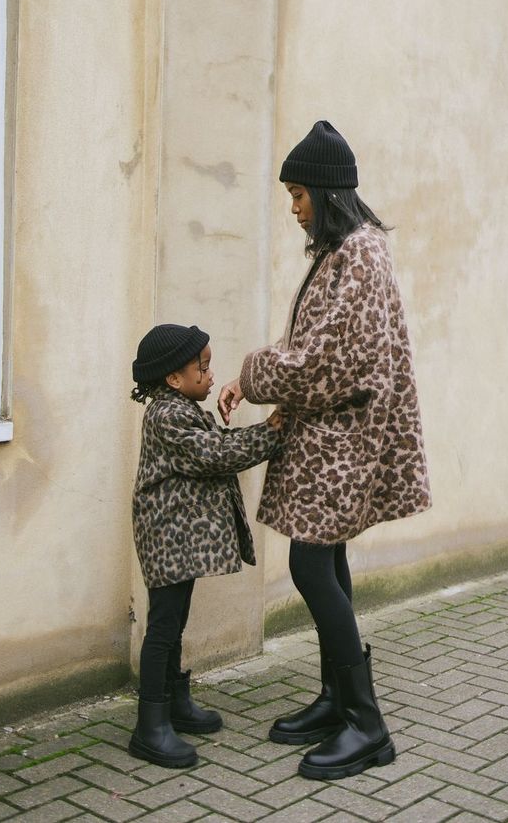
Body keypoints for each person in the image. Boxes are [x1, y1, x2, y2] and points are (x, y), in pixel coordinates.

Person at [218, 120, 431, 780]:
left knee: (311, 566)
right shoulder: (346, 252)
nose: (293, 206)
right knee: (326, 558)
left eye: (298, 193)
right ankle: (338, 699)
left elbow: (330, 359)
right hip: (332, 437)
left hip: (346, 442)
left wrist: (252, 374)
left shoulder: (359, 257)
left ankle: (369, 725)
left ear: (327, 192)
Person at [128, 323, 282, 769]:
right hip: (168, 538)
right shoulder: (167, 415)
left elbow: (218, 443)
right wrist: (271, 432)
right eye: (204, 367)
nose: (212, 374)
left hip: (180, 539)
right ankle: (149, 726)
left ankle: (175, 704)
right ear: (174, 379)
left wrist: (264, 431)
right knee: (162, 628)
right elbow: (215, 454)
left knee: (174, 623)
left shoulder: (179, 407)